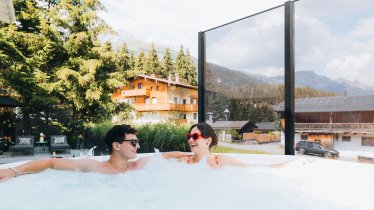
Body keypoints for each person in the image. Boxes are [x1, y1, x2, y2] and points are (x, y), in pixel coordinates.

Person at [0, 124, 185, 181]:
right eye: (134, 142)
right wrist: (12, 171)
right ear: (117, 145)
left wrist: (197, 158)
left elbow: (168, 155)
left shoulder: (138, 165)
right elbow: (51, 162)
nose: (138, 146)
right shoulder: (95, 167)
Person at [177, 123, 287, 168]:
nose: (190, 139)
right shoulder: (183, 162)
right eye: (189, 136)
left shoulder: (220, 161)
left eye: (195, 136)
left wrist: (285, 165)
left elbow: (251, 168)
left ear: (208, 140)